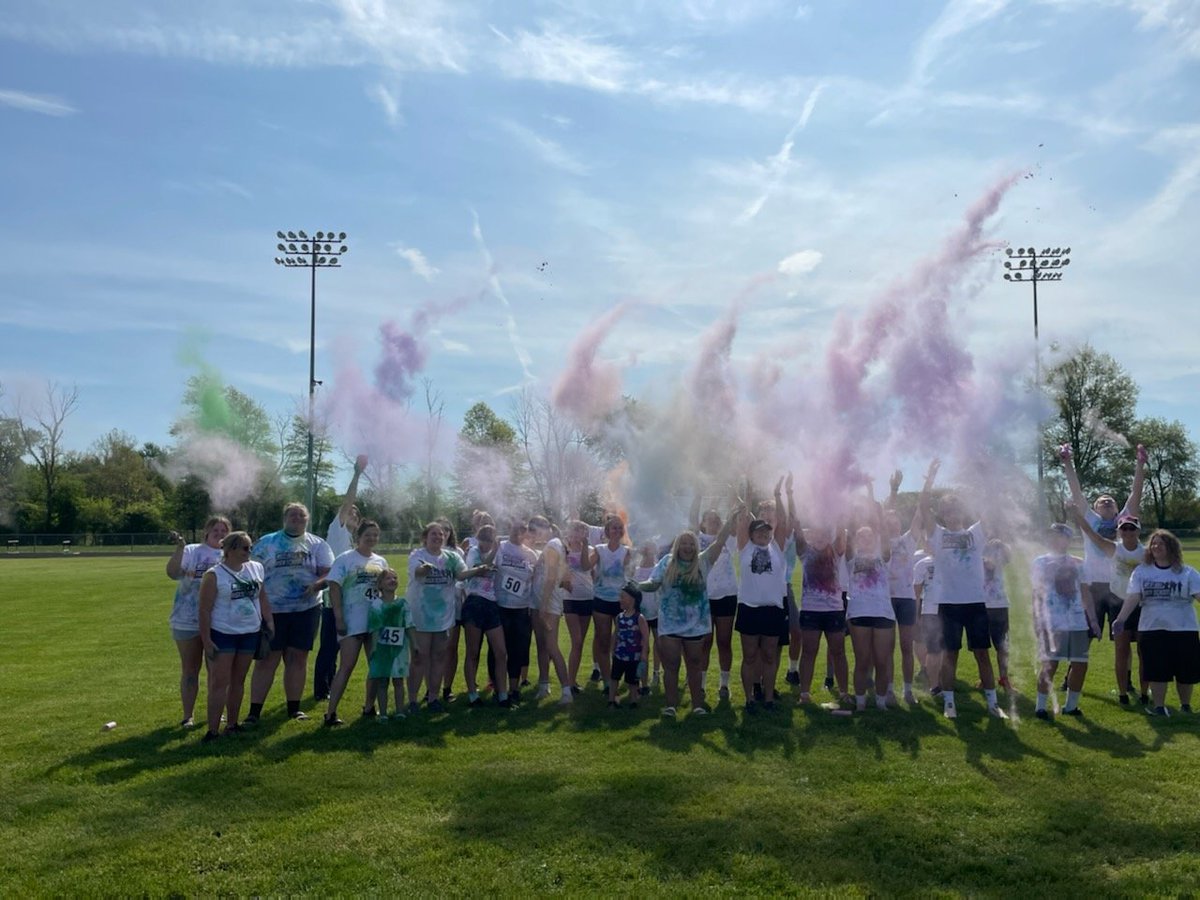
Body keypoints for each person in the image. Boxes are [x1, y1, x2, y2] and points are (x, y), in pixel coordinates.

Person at [638, 505, 743, 718]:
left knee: (695, 664)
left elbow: (720, 541)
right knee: (671, 665)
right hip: (670, 624)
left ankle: (697, 705)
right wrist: (637, 585)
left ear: (695, 547)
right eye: (683, 543)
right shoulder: (667, 562)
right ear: (677, 546)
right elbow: (653, 582)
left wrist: (731, 519)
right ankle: (670, 706)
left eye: (690, 544)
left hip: (695, 625)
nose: (687, 547)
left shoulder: (703, 561)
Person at [920, 462, 1007, 720]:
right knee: (951, 655)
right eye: (947, 511)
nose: (953, 515)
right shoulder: (937, 534)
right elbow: (923, 508)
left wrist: (985, 476)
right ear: (943, 515)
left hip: (976, 604)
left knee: (983, 653)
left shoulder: (976, 533)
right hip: (949, 604)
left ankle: (993, 704)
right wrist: (930, 478)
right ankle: (949, 704)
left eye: (956, 510)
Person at [1061, 443, 1146, 689]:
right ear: (1095, 509)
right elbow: (1076, 492)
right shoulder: (1090, 519)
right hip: (1094, 586)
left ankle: (1126, 682)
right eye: (1101, 501)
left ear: (1118, 508)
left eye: (1110, 500)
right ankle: (1069, 678)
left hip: (1121, 589)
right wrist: (1067, 462)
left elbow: (1136, 492)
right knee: (1086, 636)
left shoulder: (1125, 521)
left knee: (1124, 638)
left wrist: (1140, 464)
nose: (1105, 500)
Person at [247, 502, 334, 724]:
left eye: (301, 515)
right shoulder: (267, 542)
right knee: (267, 659)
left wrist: (316, 585)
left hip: (306, 610)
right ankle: (254, 712)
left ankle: (294, 709)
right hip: (272, 610)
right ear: (284, 518)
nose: (297, 518)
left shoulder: (318, 544)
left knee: (298, 658)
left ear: (308, 519)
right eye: (292, 515)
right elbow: (250, 572)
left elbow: (329, 573)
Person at [1114, 529, 1200, 717]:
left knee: (1185, 671)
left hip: (1183, 629)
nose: (1156, 546)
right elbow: (1133, 597)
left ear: (1171, 548)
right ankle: (1159, 707)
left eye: (1161, 543)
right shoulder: (1142, 572)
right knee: (1156, 670)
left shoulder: (1187, 573)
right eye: (1153, 543)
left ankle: (1185, 706)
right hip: (1151, 628)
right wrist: (1120, 619)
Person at [198, 531, 273, 742]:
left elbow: (262, 595)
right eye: (245, 548)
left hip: (249, 632)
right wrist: (206, 640)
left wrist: (269, 621)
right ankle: (212, 730)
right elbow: (204, 610)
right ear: (230, 550)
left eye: (250, 547)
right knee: (219, 682)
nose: (250, 552)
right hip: (223, 633)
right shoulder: (214, 575)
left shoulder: (256, 568)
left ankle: (232, 724)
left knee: (238, 681)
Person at [1072, 507, 1149, 705]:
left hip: (1142, 605)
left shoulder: (1146, 553)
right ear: (1119, 531)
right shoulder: (1114, 548)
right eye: (1124, 529)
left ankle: (1144, 693)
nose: (1128, 532)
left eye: (1132, 529)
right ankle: (1123, 694)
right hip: (1118, 603)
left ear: (1138, 531)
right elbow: (1091, 534)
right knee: (1121, 649)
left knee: (1144, 651)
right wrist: (1076, 515)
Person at [165, 515, 231, 727]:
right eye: (216, 530)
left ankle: (217, 712)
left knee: (217, 671)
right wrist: (180, 548)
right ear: (206, 532)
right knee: (190, 669)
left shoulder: (230, 555)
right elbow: (173, 573)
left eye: (224, 531)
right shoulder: (192, 551)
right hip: (187, 619)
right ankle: (188, 716)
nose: (220, 534)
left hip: (219, 621)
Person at [322, 520, 388, 726]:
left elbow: (386, 587)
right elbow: (334, 587)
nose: (372, 539)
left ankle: (369, 707)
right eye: (368, 534)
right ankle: (330, 712)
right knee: (347, 666)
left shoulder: (381, 561)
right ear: (358, 536)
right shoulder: (346, 559)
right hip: (352, 619)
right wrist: (339, 618)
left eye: (375, 535)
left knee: (375, 666)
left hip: (375, 619)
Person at [1031, 523, 1098, 719]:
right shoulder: (1040, 562)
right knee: (1050, 665)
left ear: (1068, 539)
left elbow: (1086, 593)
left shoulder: (1079, 563)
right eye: (1053, 535)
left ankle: (1071, 707)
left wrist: (1093, 620)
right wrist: (1036, 619)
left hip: (1076, 621)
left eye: (1060, 536)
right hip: (1051, 622)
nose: (1056, 539)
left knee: (1080, 664)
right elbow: (1036, 594)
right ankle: (1041, 707)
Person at [315, 453, 366, 701]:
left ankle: (328, 685)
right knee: (329, 645)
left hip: (350, 598)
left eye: (357, 514)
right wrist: (357, 474)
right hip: (332, 597)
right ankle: (321, 689)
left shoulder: (353, 541)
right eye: (350, 512)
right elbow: (348, 503)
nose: (352, 515)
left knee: (339, 644)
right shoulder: (338, 529)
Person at [734, 501, 789, 713]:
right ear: (751, 535)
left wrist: (779, 495)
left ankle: (768, 698)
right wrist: (743, 502)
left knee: (769, 655)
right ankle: (749, 699)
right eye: (759, 532)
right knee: (749, 657)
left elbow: (782, 522)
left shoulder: (777, 547)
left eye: (767, 532)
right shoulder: (745, 548)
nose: (764, 535)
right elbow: (742, 523)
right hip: (749, 608)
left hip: (772, 610)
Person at [407, 522, 464, 713]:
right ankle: (413, 700)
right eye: (434, 534)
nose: (438, 537)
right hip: (421, 615)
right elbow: (418, 571)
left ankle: (433, 697)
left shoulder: (452, 557)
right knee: (419, 657)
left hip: (443, 616)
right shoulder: (418, 555)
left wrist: (479, 570)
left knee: (439, 656)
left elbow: (462, 574)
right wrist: (426, 568)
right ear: (425, 537)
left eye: (441, 534)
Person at [845, 499, 895, 712]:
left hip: (883, 613)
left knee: (882, 661)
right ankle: (861, 703)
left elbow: (883, 531)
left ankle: (881, 703)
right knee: (862, 661)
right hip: (859, 613)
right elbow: (847, 532)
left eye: (869, 535)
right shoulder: (851, 558)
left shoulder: (882, 556)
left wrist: (879, 512)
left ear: (875, 539)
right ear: (856, 540)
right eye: (860, 536)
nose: (865, 538)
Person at [794, 517, 848, 705]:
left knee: (838, 652)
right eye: (816, 533)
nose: (820, 537)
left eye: (824, 534)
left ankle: (843, 693)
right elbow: (796, 526)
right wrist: (791, 496)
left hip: (834, 609)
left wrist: (840, 509)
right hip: (811, 610)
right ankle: (804, 695)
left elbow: (842, 531)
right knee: (808, 652)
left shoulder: (835, 551)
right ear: (810, 535)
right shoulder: (804, 551)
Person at [691, 490, 739, 701]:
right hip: (704, 596)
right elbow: (692, 517)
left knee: (724, 641)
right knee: (705, 642)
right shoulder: (696, 539)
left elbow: (732, 523)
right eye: (709, 519)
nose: (714, 522)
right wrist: (699, 493)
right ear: (703, 523)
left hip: (727, 595)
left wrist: (735, 500)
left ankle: (724, 684)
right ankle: (700, 685)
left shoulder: (728, 540)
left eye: (717, 519)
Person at [462, 523, 513, 707]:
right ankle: (472, 695)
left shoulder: (497, 551)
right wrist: (495, 550)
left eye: (490, 539)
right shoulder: (474, 551)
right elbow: (483, 568)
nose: (487, 543)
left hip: (491, 604)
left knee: (501, 652)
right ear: (478, 539)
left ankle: (503, 694)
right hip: (475, 603)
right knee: (473, 652)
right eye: (484, 539)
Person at [883, 469, 921, 705]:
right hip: (885, 599)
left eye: (897, 520)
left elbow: (919, 516)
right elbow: (885, 513)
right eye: (890, 521)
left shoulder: (909, 539)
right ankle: (888, 690)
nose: (894, 523)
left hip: (906, 599)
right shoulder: (881, 541)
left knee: (907, 646)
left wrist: (927, 484)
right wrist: (893, 490)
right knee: (887, 647)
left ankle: (907, 690)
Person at [365, 568, 414, 721]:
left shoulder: (403, 603)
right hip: (382, 649)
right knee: (382, 681)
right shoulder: (376, 605)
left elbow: (409, 625)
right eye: (388, 579)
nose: (393, 581)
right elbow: (374, 628)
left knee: (399, 680)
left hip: (400, 649)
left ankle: (400, 710)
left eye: (395, 578)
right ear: (380, 584)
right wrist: (373, 647)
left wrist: (415, 643)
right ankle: (383, 713)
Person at [535, 518, 575, 705]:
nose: (536, 534)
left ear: (549, 529)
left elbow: (551, 577)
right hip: (546, 599)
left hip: (549, 602)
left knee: (551, 646)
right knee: (543, 645)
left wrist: (543, 605)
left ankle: (566, 690)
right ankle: (544, 685)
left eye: (538, 529)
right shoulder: (557, 545)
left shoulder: (553, 544)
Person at [592, 516, 633, 695]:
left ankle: (622, 677)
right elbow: (587, 566)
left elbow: (631, 575)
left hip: (620, 601)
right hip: (601, 599)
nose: (616, 531)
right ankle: (608, 681)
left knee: (623, 641)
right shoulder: (599, 549)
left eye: (619, 528)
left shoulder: (627, 551)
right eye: (613, 528)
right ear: (607, 532)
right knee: (602, 641)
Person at [561, 521, 598, 692]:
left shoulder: (591, 551)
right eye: (575, 531)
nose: (578, 534)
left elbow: (587, 568)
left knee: (580, 642)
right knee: (576, 640)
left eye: (582, 531)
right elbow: (558, 571)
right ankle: (568, 682)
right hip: (570, 599)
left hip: (587, 598)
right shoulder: (563, 550)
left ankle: (573, 681)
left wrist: (585, 547)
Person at [608, 582, 651, 708]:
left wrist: (643, 653)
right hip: (620, 654)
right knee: (614, 677)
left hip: (634, 656)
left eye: (622, 597)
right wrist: (612, 649)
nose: (619, 600)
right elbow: (615, 634)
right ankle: (611, 700)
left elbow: (645, 636)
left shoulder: (639, 618)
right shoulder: (619, 617)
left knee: (633, 680)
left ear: (632, 600)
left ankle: (633, 701)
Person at [982, 539, 1013, 691]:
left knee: (1003, 646)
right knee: (981, 647)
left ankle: (1004, 678)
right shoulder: (976, 550)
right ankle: (984, 678)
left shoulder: (999, 550)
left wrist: (1001, 543)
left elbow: (1008, 556)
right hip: (980, 605)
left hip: (999, 605)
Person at [913, 550, 942, 696]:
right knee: (933, 648)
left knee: (946, 648)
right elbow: (916, 593)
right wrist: (916, 614)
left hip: (949, 609)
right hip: (929, 610)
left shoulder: (951, 560)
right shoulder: (922, 562)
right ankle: (934, 685)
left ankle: (942, 679)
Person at [634, 539, 662, 693]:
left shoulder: (659, 567)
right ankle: (640, 675)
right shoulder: (636, 570)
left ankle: (656, 673)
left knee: (659, 643)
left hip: (657, 612)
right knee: (643, 645)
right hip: (641, 614)